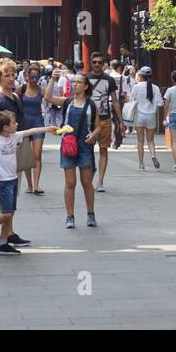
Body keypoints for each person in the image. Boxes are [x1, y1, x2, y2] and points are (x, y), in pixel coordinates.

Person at [0, 110, 56, 255]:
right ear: (5, 127)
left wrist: (47, 129)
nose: (16, 124)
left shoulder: (14, 136)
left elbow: (30, 131)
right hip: (2, 181)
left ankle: (3, 244)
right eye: (13, 122)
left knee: (9, 213)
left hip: (12, 179)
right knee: (7, 214)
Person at [0, 58, 31, 248]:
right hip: (2, 152)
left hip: (15, 149)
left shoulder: (15, 96)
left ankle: (8, 232)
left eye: (13, 74)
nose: (11, 78)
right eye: (7, 75)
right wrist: (0, 142)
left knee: (12, 193)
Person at [48, 73, 98, 229]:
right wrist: (52, 79)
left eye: (78, 82)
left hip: (85, 145)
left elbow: (98, 126)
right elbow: (48, 97)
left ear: (86, 86)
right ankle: (70, 216)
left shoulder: (91, 105)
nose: (75, 85)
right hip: (68, 143)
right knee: (70, 182)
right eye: (73, 82)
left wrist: (93, 135)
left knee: (87, 182)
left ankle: (91, 214)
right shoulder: (67, 102)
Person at [87, 53, 122, 192]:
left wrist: (121, 121)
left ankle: (100, 181)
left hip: (105, 118)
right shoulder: (85, 79)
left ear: (103, 64)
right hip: (88, 120)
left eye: (99, 62)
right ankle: (92, 169)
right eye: (94, 62)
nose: (97, 64)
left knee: (103, 149)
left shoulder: (109, 80)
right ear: (90, 63)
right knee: (88, 150)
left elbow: (115, 101)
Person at [19, 62, 48, 195]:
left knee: (37, 153)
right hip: (25, 124)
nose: (34, 79)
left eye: (37, 76)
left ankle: (36, 185)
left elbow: (50, 98)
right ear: (27, 76)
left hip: (38, 123)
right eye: (32, 76)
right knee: (26, 155)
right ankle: (29, 185)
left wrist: (53, 79)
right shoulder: (22, 89)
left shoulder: (41, 90)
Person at [131, 66, 163, 170]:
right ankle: (153, 155)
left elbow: (132, 101)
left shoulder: (136, 87)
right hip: (151, 117)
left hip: (139, 116)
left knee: (140, 141)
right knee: (150, 140)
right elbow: (160, 103)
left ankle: (141, 164)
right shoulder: (155, 88)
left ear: (140, 76)